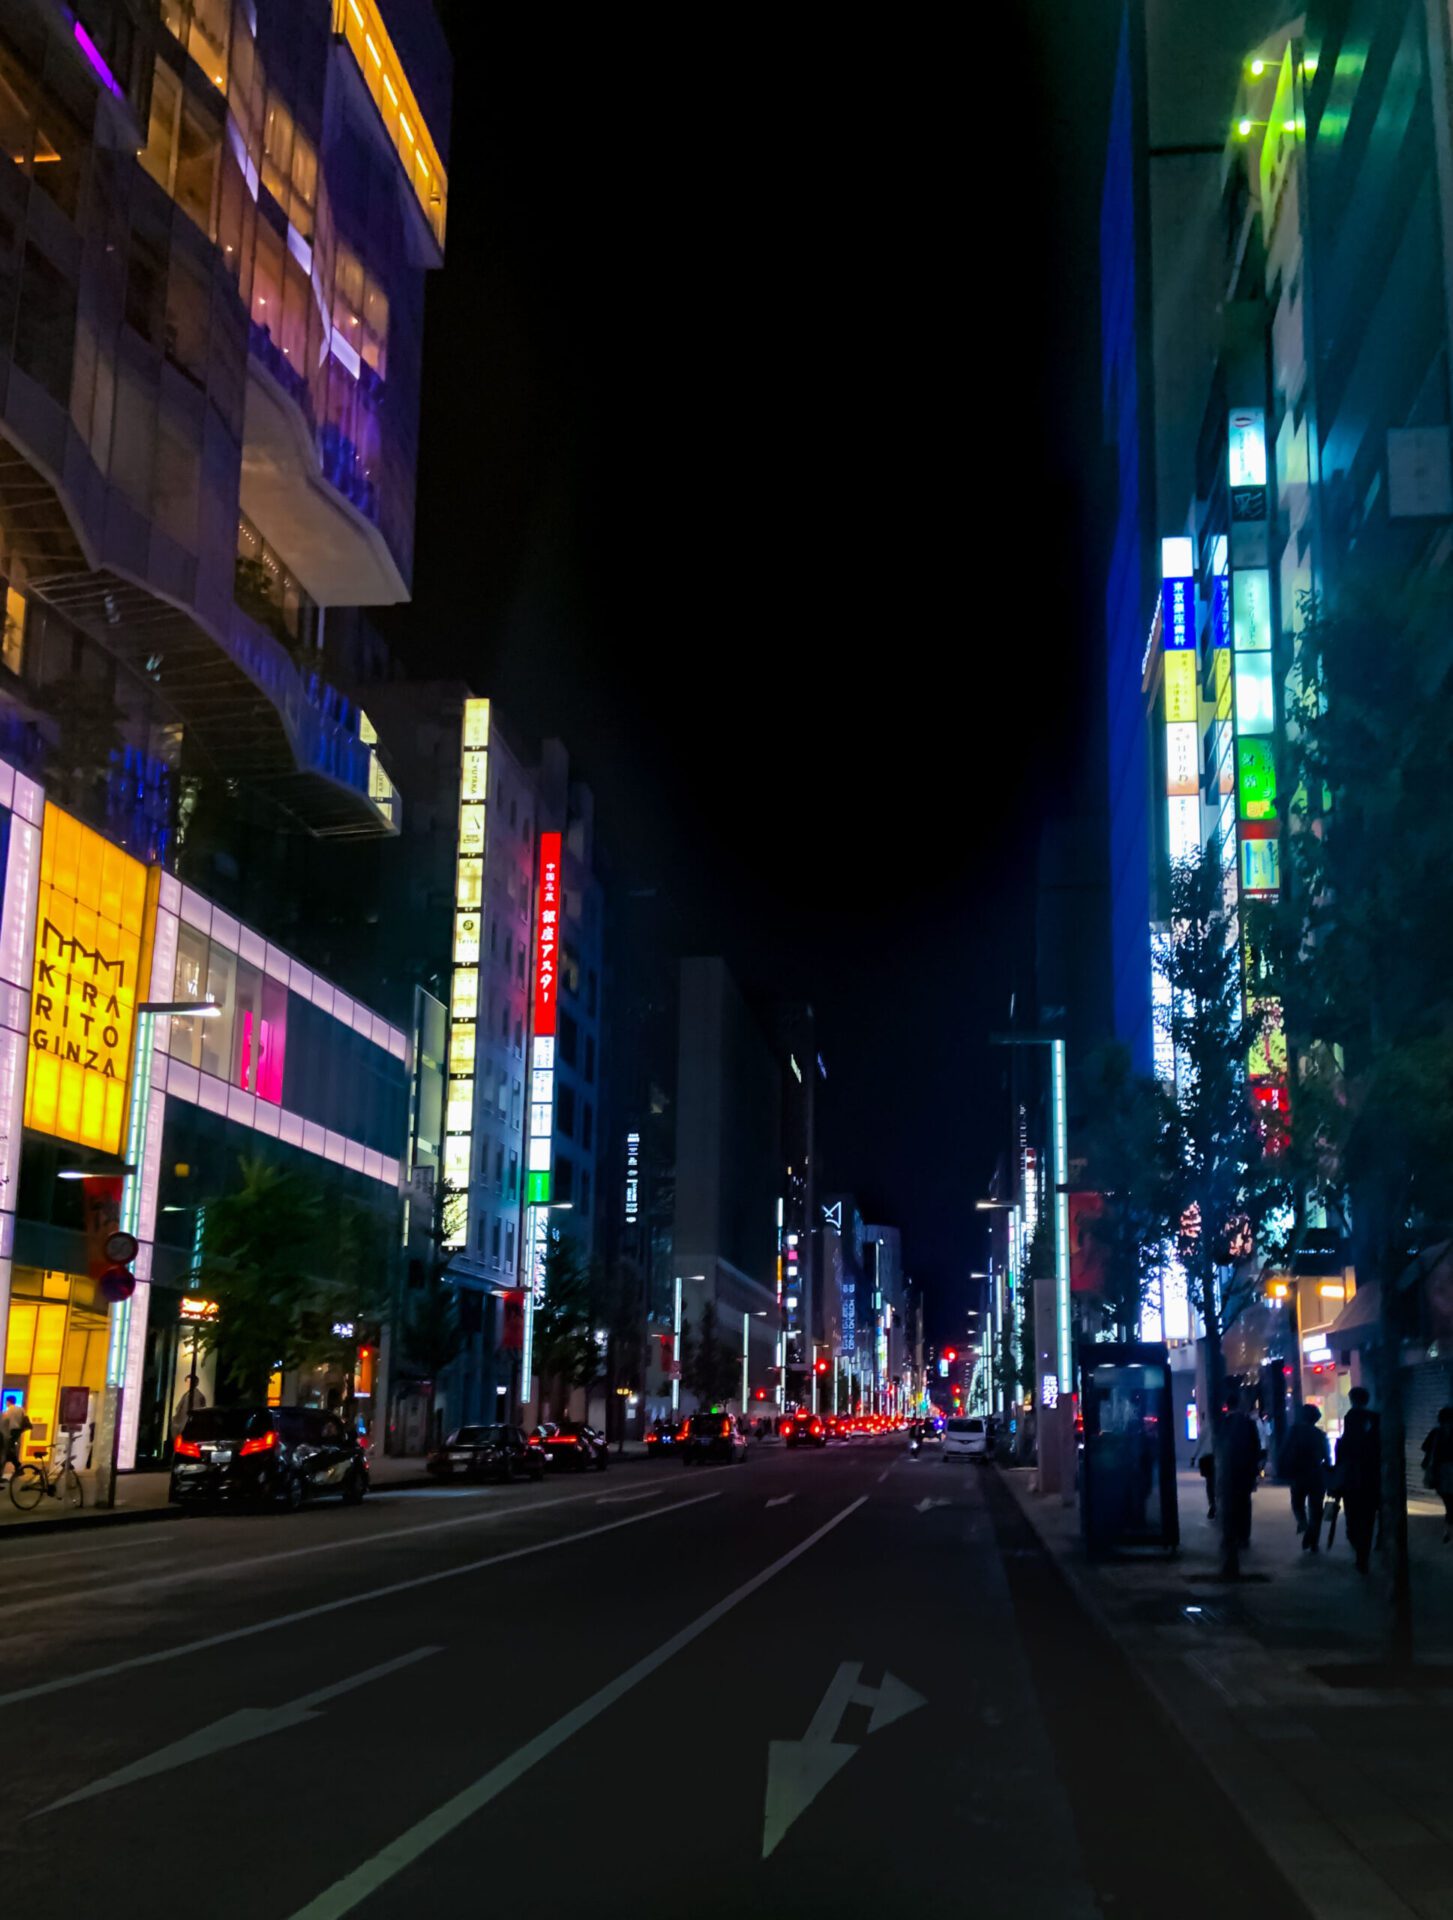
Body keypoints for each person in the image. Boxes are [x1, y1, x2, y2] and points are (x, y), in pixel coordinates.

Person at [1336, 1386, 1381, 1574]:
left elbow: (1346, 1446)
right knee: (1368, 1516)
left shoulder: (1351, 1417)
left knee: (1353, 1515)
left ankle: (1360, 1551)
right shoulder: (1375, 1418)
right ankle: (1364, 1553)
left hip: (1352, 1476)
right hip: (1372, 1475)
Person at [1278, 1403, 1331, 1552]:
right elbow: (1327, 1458)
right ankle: (1313, 1540)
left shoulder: (1293, 1431)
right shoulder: (1320, 1435)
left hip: (1298, 1474)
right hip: (1316, 1474)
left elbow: (1284, 1451)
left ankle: (1303, 1523)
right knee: (1316, 1509)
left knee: (1297, 1503)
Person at [1221, 1387, 1262, 1550]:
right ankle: (1244, 1535)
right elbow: (1256, 1447)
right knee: (1244, 1503)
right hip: (1246, 1471)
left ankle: (1231, 1535)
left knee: (1229, 1503)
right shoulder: (1249, 1423)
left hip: (1228, 1471)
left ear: (1227, 1406)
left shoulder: (1223, 1423)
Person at [1421, 1406, 1453, 1544]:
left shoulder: (1436, 1433)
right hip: (1446, 1472)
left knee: (1449, 1503)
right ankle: (1448, 1529)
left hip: (1440, 1473)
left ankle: (1448, 1530)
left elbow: (1425, 1449)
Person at [0, 1397, 31, 1478]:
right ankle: (17, 1466)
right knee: (10, 1449)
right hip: (18, 1431)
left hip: (9, 1432)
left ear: (8, 1402)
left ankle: (17, 1465)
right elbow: (25, 1419)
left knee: (7, 1450)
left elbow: (4, 1423)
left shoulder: (6, 1411)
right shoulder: (20, 1409)